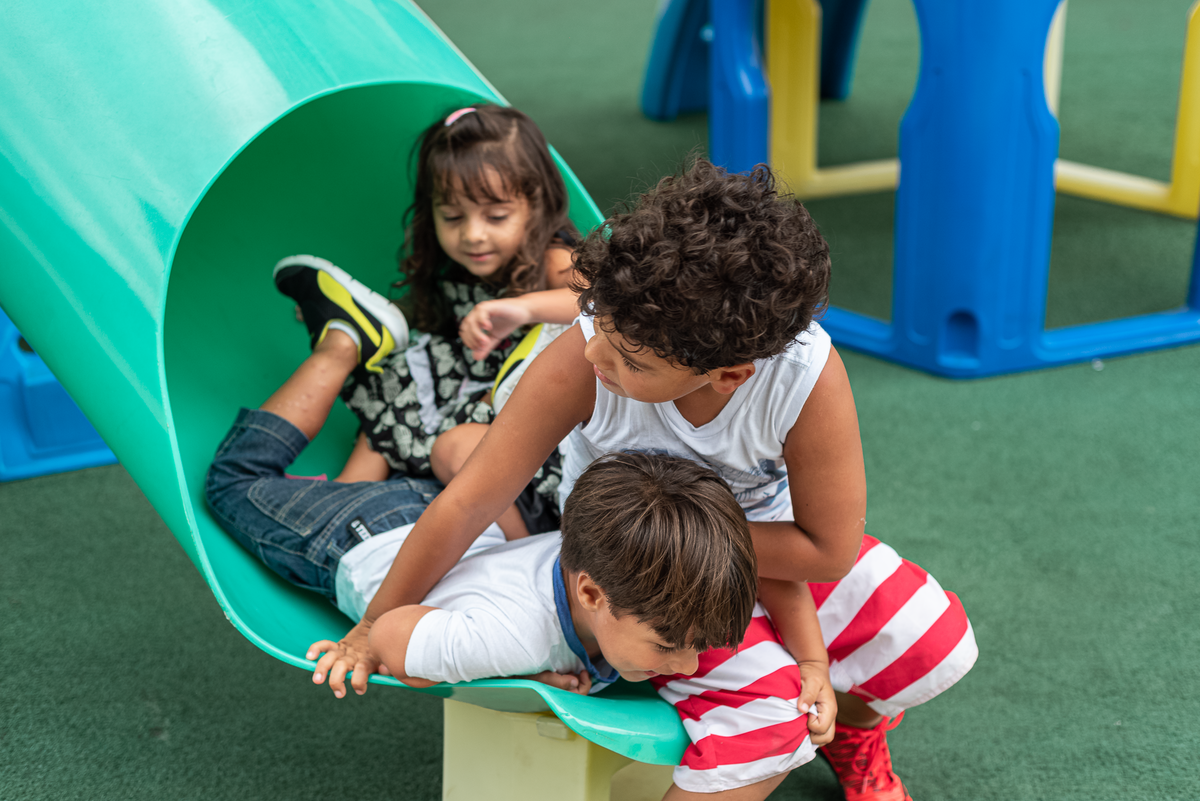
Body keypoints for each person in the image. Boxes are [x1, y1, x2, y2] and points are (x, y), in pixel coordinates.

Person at [309, 159, 979, 801]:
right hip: (641, 556)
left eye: (630, 357)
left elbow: (828, 548)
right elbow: (470, 499)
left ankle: (854, 736)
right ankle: (781, 684)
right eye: (600, 317)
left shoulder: (800, 374)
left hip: (763, 547)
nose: (596, 347)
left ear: (727, 373)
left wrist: (711, 550)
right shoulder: (591, 346)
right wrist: (373, 624)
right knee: (764, 718)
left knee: (924, 632)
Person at [208, 393, 836, 798]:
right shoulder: (507, 637)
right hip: (363, 536)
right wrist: (392, 647)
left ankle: (379, 441)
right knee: (233, 486)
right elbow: (396, 635)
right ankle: (341, 358)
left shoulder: (618, 566)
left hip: (475, 535)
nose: (687, 667)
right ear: (590, 592)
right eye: (669, 646)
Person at [272, 102, 581, 539]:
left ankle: (524, 552)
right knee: (398, 377)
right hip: (472, 403)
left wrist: (525, 308)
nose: (472, 234)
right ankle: (342, 498)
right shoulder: (455, 271)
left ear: (537, 206)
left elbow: (605, 303)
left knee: (457, 448)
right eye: (452, 216)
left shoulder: (554, 258)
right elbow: (432, 328)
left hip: (535, 448)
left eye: (495, 216)